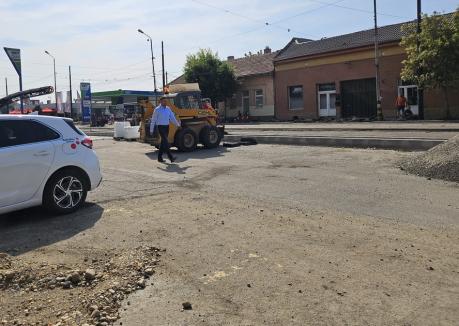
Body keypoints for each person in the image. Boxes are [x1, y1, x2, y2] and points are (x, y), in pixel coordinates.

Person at [150, 97, 181, 163]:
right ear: (160, 102)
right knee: (166, 142)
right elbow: (153, 120)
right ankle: (171, 158)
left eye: (166, 101)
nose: (165, 102)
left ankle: (159, 158)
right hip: (160, 127)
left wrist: (178, 125)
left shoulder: (168, 109)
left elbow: (172, 118)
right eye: (164, 101)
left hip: (167, 127)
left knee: (163, 142)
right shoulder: (157, 109)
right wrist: (151, 130)